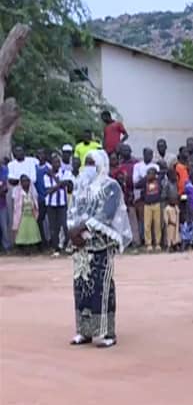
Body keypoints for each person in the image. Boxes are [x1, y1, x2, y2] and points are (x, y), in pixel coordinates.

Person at [67, 149, 132, 348]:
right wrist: (72, 232)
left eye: (91, 163)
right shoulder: (81, 186)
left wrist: (83, 228)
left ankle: (106, 332)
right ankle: (84, 331)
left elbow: (107, 214)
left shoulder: (111, 187)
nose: (87, 167)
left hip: (101, 246)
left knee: (101, 288)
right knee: (81, 288)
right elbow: (73, 211)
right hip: (81, 247)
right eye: (86, 163)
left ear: (101, 165)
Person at [44, 153, 72, 256]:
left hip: (62, 204)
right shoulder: (46, 176)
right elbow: (48, 191)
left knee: (65, 226)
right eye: (55, 162)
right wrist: (59, 184)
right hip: (51, 204)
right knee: (53, 227)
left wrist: (55, 179)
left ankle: (66, 246)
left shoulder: (65, 172)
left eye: (58, 162)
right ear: (51, 164)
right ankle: (56, 249)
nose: (57, 164)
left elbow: (66, 184)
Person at [12, 174, 41, 252]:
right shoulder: (18, 192)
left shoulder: (32, 191)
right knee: (22, 231)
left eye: (27, 181)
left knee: (32, 231)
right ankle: (23, 248)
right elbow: (16, 205)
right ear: (21, 182)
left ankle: (32, 247)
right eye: (23, 181)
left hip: (31, 215)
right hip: (22, 215)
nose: (25, 183)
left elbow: (35, 202)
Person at [141, 165, 162, 252]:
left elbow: (163, 172)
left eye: (151, 173)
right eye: (148, 173)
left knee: (157, 224)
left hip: (156, 204)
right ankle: (148, 244)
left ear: (154, 174)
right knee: (147, 225)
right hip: (147, 205)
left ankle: (158, 243)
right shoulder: (145, 182)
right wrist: (146, 178)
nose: (149, 175)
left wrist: (157, 174)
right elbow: (136, 185)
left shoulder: (158, 181)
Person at [0, 158, 9, 252]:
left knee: (4, 227)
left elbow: (5, 188)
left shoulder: (4, 170)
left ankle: (6, 247)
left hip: (2, 204)